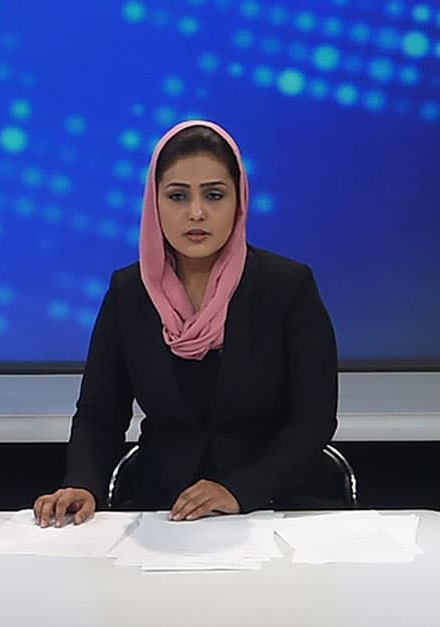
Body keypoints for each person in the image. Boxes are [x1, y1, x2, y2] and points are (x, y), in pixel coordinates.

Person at [35, 119, 339, 525]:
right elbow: (100, 414)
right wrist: (83, 483)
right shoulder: (129, 292)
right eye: (177, 196)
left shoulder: (287, 287)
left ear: (239, 200)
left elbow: (313, 420)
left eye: (214, 195)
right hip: (160, 509)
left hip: (274, 504)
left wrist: (241, 490)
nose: (196, 213)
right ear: (153, 203)